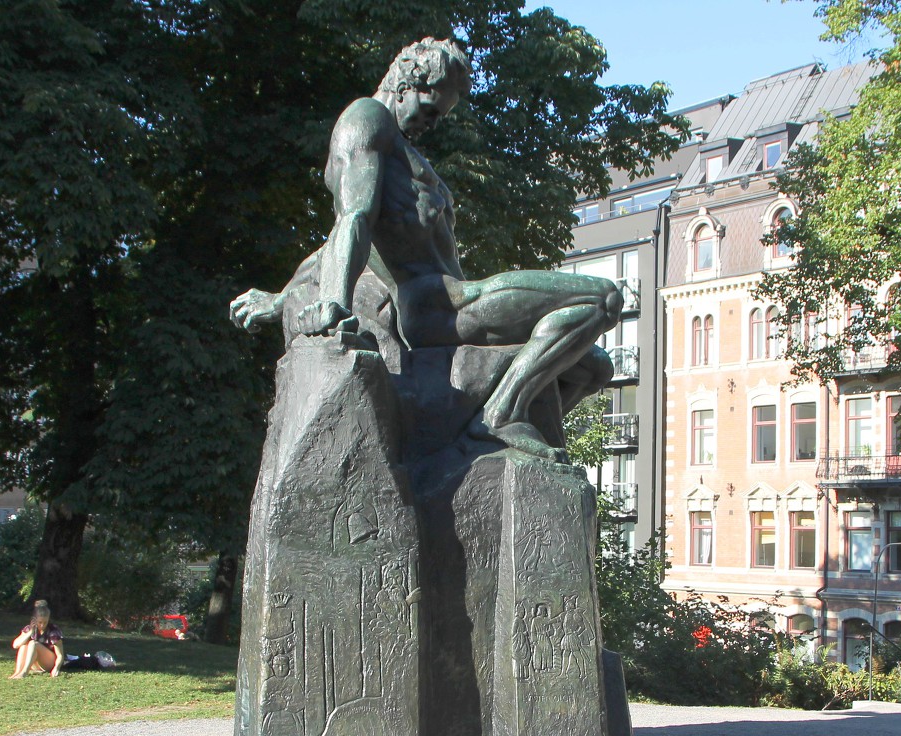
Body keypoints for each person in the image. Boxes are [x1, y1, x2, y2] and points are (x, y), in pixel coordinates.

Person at [230, 37, 620, 461]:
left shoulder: (401, 152)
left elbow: (332, 241)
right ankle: (501, 415)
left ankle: (490, 451)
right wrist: (330, 303)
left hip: (457, 301)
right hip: (440, 307)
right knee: (603, 298)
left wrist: (280, 296)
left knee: (595, 368)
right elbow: (352, 219)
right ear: (403, 86)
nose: (433, 123)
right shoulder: (367, 118)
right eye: (431, 109)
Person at [9, 600, 65, 679]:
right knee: (24, 645)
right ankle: (17, 672)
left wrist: (56, 668)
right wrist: (30, 632)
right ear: (34, 620)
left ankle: (24, 672)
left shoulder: (53, 631)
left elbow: (60, 655)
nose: (42, 625)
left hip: (49, 663)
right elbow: (15, 645)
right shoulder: (29, 628)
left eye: (45, 622)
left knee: (33, 643)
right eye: (40, 622)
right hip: (35, 664)